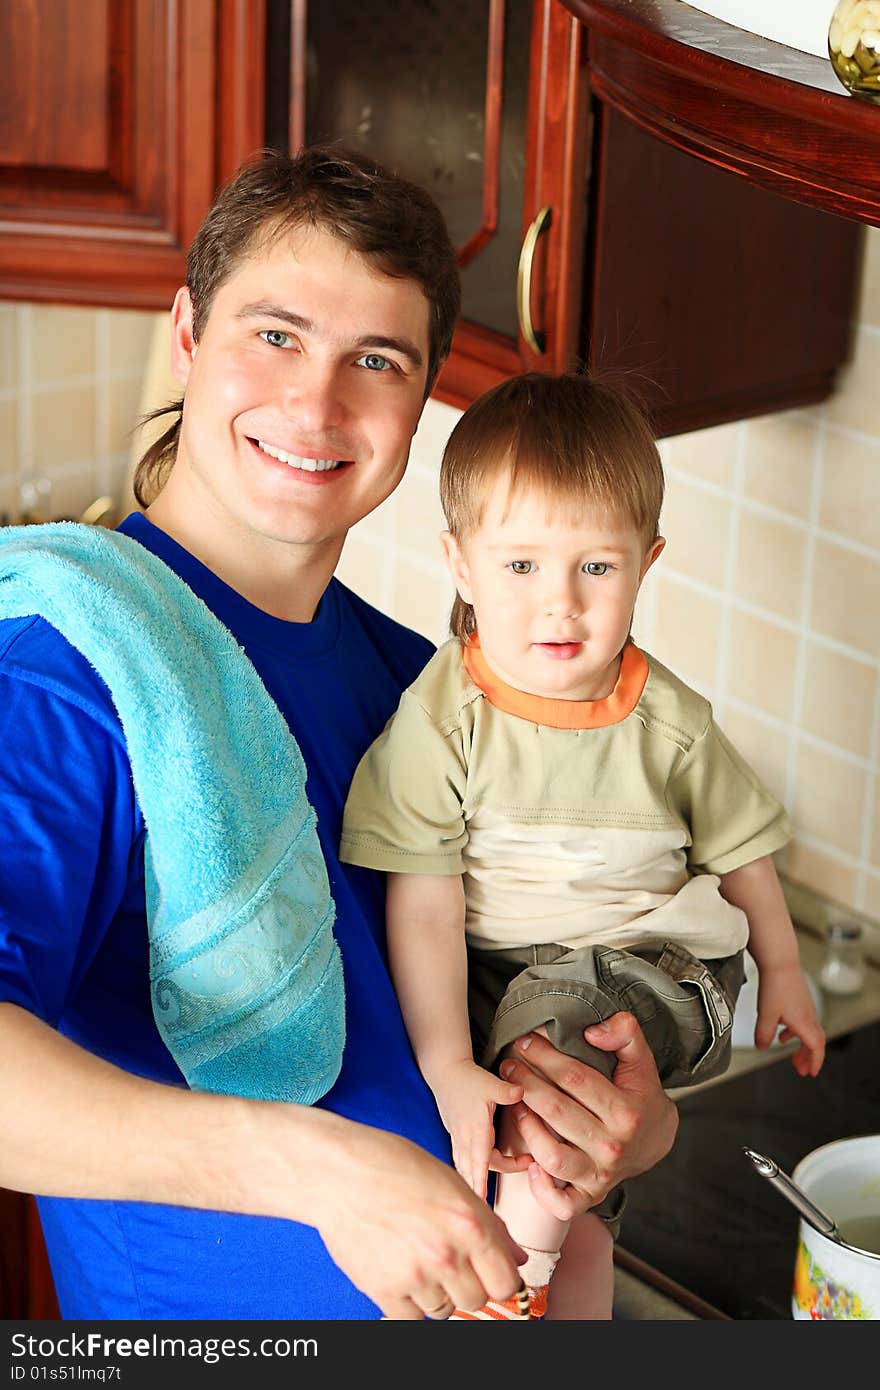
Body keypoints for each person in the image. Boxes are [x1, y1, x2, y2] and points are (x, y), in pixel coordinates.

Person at [0, 150, 679, 1322]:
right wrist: (318, 1173)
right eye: (274, 335)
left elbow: (500, 996)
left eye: (375, 361)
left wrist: (625, 1121)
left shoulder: (422, 688)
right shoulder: (72, 672)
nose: (316, 405)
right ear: (187, 333)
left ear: (420, 405)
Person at [340, 370, 826, 1320]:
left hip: (651, 967)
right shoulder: (442, 722)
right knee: (543, 1153)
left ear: (646, 563)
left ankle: (505, 1290)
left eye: (595, 569)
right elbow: (428, 905)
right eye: (521, 567)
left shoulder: (670, 721)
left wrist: (786, 972)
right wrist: (444, 1063)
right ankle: (570, 1292)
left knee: (542, 1048)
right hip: (495, 974)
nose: (559, 605)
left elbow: (744, 850)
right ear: (462, 563)